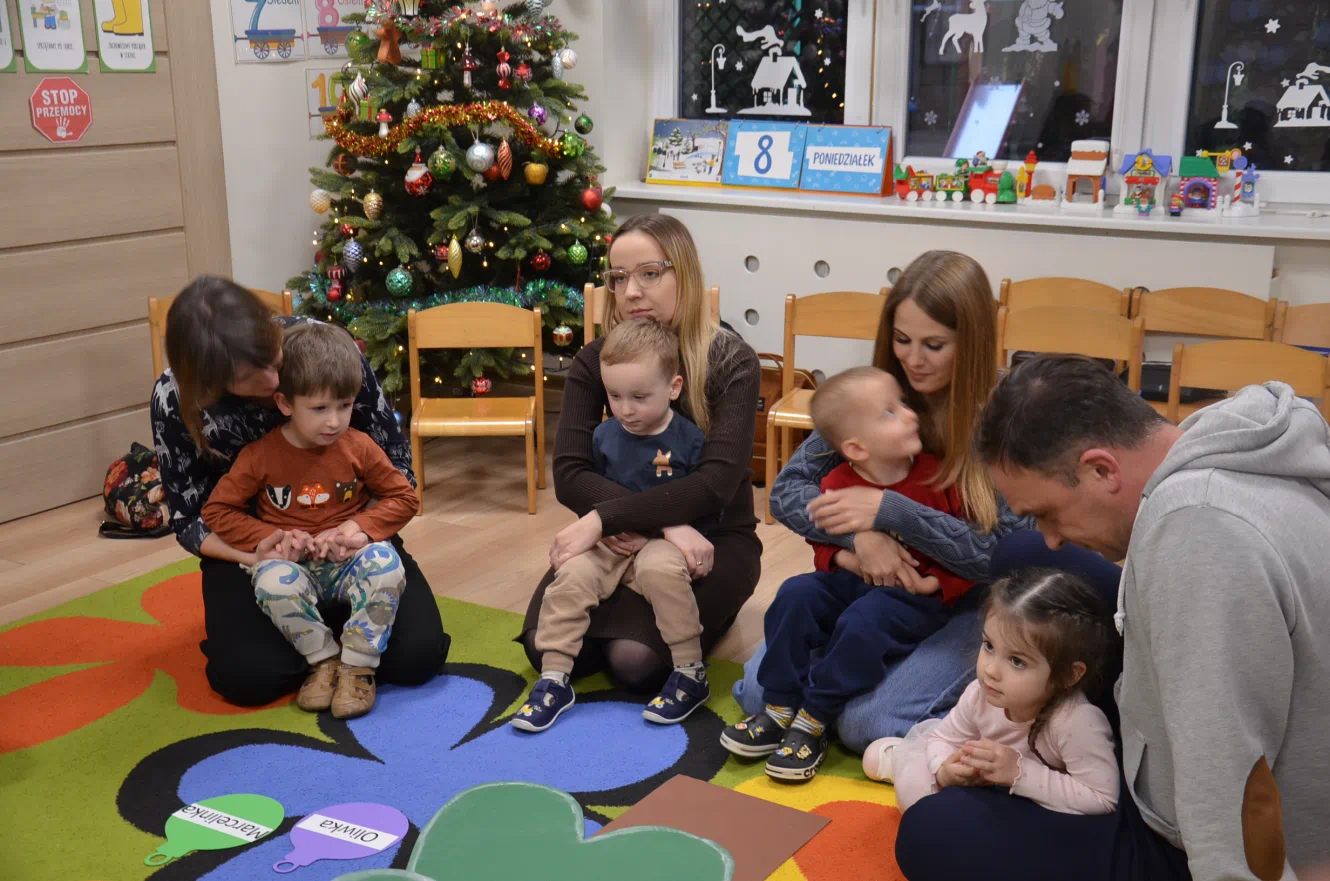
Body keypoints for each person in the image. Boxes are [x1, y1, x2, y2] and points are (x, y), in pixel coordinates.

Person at [896, 353, 1330, 881]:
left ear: (1101, 469)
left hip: (1222, 837)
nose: (1051, 535)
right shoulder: (1220, 441)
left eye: (1048, 513)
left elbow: (1226, 766)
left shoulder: (1200, 539)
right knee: (1023, 556)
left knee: (932, 830)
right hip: (1196, 731)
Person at [736, 250, 1119, 751]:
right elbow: (788, 491)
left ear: (971, 343)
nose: (913, 360)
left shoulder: (1008, 414)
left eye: (933, 345)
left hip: (969, 602)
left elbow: (1004, 557)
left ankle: (983, 717)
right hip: (873, 590)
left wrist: (890, 513)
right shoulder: (878, 392)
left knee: (865, 723)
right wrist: (860, 540)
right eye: (902, 340)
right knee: (759, 692)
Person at [151, 276, 449, 707]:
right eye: (249, 376)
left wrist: (356, 530)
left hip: (351, 536)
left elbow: (398, 471)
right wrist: (257, 553)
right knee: (250, 679)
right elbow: (193, 518)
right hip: (252, 548)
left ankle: (345, 634)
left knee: (417, 658)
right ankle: (319, 643)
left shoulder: (322, 347)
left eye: (272, 359)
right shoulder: (174, 397)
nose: (274, 379)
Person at [517, 214, 762, 693]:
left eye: (649, 273)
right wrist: (657, 523)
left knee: (634, 662)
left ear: (684, 275)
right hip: (616, 539)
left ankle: (719, 610)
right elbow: (570, 474)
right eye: (618, 277)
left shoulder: (731, 360)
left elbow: (713, 486)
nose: (631, 292)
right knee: (543, 646)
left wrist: (603, 517)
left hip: (709, 540)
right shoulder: (597, 359)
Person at [720, 367, 971, 781]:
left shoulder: (939, 478)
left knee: (863, 621)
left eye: (902, 404)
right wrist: (844, 557)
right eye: (891, 412)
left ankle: (814, 717)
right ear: (856, 447)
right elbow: (822, 538)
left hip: (915, 596)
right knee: (795, 593)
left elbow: (965, 547)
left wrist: (937, 583)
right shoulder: (836, 480)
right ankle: (780, 706)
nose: (910, 414)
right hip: (852, 580)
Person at [201, 322, 419, 720]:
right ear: (285, 404)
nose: (334, 421)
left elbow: (404, 497)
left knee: (386, 564)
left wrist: (357, 528)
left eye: (344, 406)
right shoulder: (259, 455)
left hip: (348, 562)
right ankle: (323, 661)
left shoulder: (359, 446)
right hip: (293, 566)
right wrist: (274, 536)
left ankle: (358, 666)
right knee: (272, 581)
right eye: (319, 409)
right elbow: (217, 512)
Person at [512, 319, 712, 732]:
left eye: (639, 397)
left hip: (661, 540)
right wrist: (605, 528)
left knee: (662, 571)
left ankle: (690, 672)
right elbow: (589, 491)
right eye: (615, 396)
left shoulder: (690, 439)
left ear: (673, 388)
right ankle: (554, 678)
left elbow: (699, 498)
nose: (626, 409)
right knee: (572, 575)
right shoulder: (604, 436)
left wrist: (661, 528)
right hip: (611, 539)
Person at [867, 567, 1118, 817]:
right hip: (987, 785)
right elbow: (944, 738)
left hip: (1032, 806)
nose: (991, 670)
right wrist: (944, 770)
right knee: (877, 761)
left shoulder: (1076, 721)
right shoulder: (980, 693)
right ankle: (904, 759)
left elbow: (1102, 798)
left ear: (1069, 675)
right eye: (989, 646)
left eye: (1017, 661)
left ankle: (903, 760)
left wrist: (1018, 772)